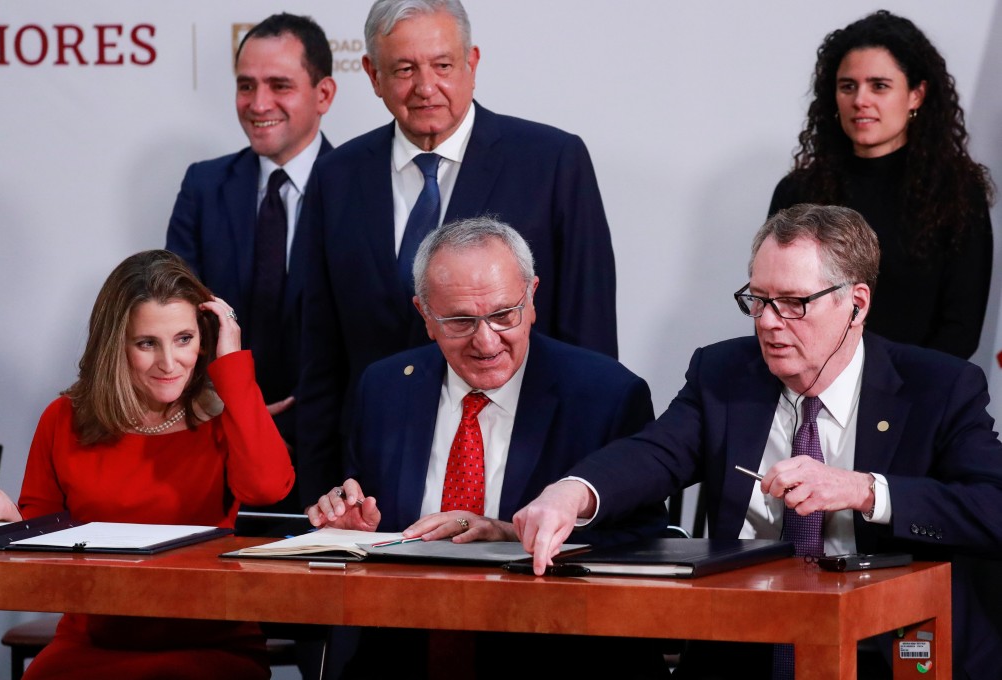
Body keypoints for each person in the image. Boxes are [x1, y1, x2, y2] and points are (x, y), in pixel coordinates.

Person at [514, 204, 1002, 680]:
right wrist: (573, 491)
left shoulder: (937, 387)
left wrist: (865, 491)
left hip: (887, 644)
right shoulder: (725, 374)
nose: (768, 321)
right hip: (746, 641)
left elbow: (992, 508)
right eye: (758, 299)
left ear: (856, 303)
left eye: (793, 303)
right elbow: (654, 453)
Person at [308, 217, 669, 679]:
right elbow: (373, 532)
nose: (485, 340)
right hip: (405, 648)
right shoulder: (384, 388)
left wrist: (507, 534)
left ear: (532, 297)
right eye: (460, 320)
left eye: (503, 315)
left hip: (554, 652)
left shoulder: (606, 395)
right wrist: (352, 531)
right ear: (425, 316)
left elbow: (644, 543)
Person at [296, 0, 618, 507]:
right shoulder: (337, 176)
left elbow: (591, 345)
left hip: (528, 478)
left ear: (472, 62)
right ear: (373, 75)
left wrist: (580, 493)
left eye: (443, 65)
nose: (426, 87)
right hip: (377, 489)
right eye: (404, 69)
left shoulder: (551, 162)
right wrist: (319, 497)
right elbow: (319, 355)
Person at [0, 250, 295, 679]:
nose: (170, 363)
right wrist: (8, 521)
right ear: (117, 345)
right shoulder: (62, 418)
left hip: (211, 643)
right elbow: (42, 543)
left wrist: (233, 364)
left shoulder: (228, 416)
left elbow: (268, 488)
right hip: (92, 641)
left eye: (184, 339)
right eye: (147, 343)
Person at [166, 13, 337, 511]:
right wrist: (229, 403)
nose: (258, 104)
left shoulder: (361, 187)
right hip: (218, 439)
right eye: (246, 85)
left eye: (279, 85)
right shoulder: (203, 186)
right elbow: (178, 314)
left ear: (323, 94)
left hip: (333, 452)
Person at [769, 10, 994, 360]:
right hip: (808, 391)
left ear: (916, 95)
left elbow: (960, 331)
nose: (861, 100)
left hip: (915, 395)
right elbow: (777, 308)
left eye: (879, 85)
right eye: (848, 86)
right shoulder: (797, 192)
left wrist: (886, 393)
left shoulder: (958, 194)